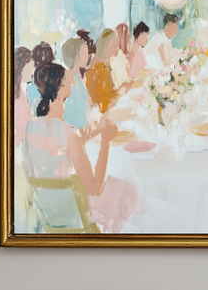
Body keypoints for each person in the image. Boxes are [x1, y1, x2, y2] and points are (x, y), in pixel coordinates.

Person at [22, 60, 137, 233]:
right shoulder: (69, 134)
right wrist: (105, 142)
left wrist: (95, 131)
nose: (73, 83)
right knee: (129, 189)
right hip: (75, 218)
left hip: (47, 215)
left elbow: (59, 147)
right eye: (68, 81)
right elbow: (95, 188)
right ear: (60, 90)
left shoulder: (30, 129)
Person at [60, 34, 93, 129]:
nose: (87, 56)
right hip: (76, 127)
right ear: (74, 56)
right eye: (83, 53)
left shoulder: (78, 75)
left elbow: (88, 101)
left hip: (85, 123)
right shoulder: (68, 78)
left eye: (87, 52)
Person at [85, 29, 121, 114]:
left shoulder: (105, 63)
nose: (117, 49)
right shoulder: (98, 68)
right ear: (106, 46)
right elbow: (103, 104)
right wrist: (119, 92)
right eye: (114, 46)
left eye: (117, 45)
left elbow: (108, 93)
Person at [13, 47, 34, 150]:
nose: (32, 72)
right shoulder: (16, 95)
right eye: (29, 67)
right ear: (21, 68)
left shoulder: (22, 91)